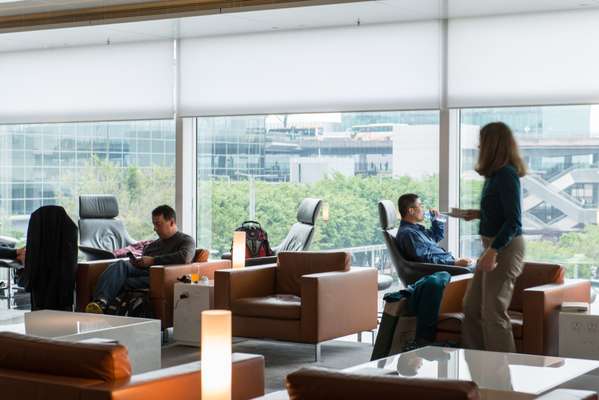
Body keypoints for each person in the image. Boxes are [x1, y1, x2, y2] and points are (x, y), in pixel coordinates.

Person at [459, 122, 527, 353]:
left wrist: (493, 250)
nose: (478, 145)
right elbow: (500, 212)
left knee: (493, 312)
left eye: (482, 141)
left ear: (492, 144)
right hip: (493, 245)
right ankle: (479, 366)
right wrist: (478, 214)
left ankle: (502, 376)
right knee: (472, 307)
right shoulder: (494, 175)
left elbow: (514, 221)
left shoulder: (507, 175)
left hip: (505, 248)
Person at [85, 205, 195, 314]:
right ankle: (100, 304)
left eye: (158, 224)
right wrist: (139, 262)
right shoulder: (153, 245)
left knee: (121, 280)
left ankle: (102, 306)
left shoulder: (185, 241)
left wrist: (153, 261)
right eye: (153, 224)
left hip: (160, 277)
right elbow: (145, 258)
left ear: (171, 222)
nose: (155, 228)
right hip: (143, 272)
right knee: (120, 267)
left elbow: (184, 257)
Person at [395, 193, 472, 267]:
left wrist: (436, 219)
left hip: (448, 262)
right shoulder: (408, 233)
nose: (423, 209)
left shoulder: (416, 229)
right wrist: (454, 263)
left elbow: (437, 236)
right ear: (411, 211)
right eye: (420, 206)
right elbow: (425, 259)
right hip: (444, 268)